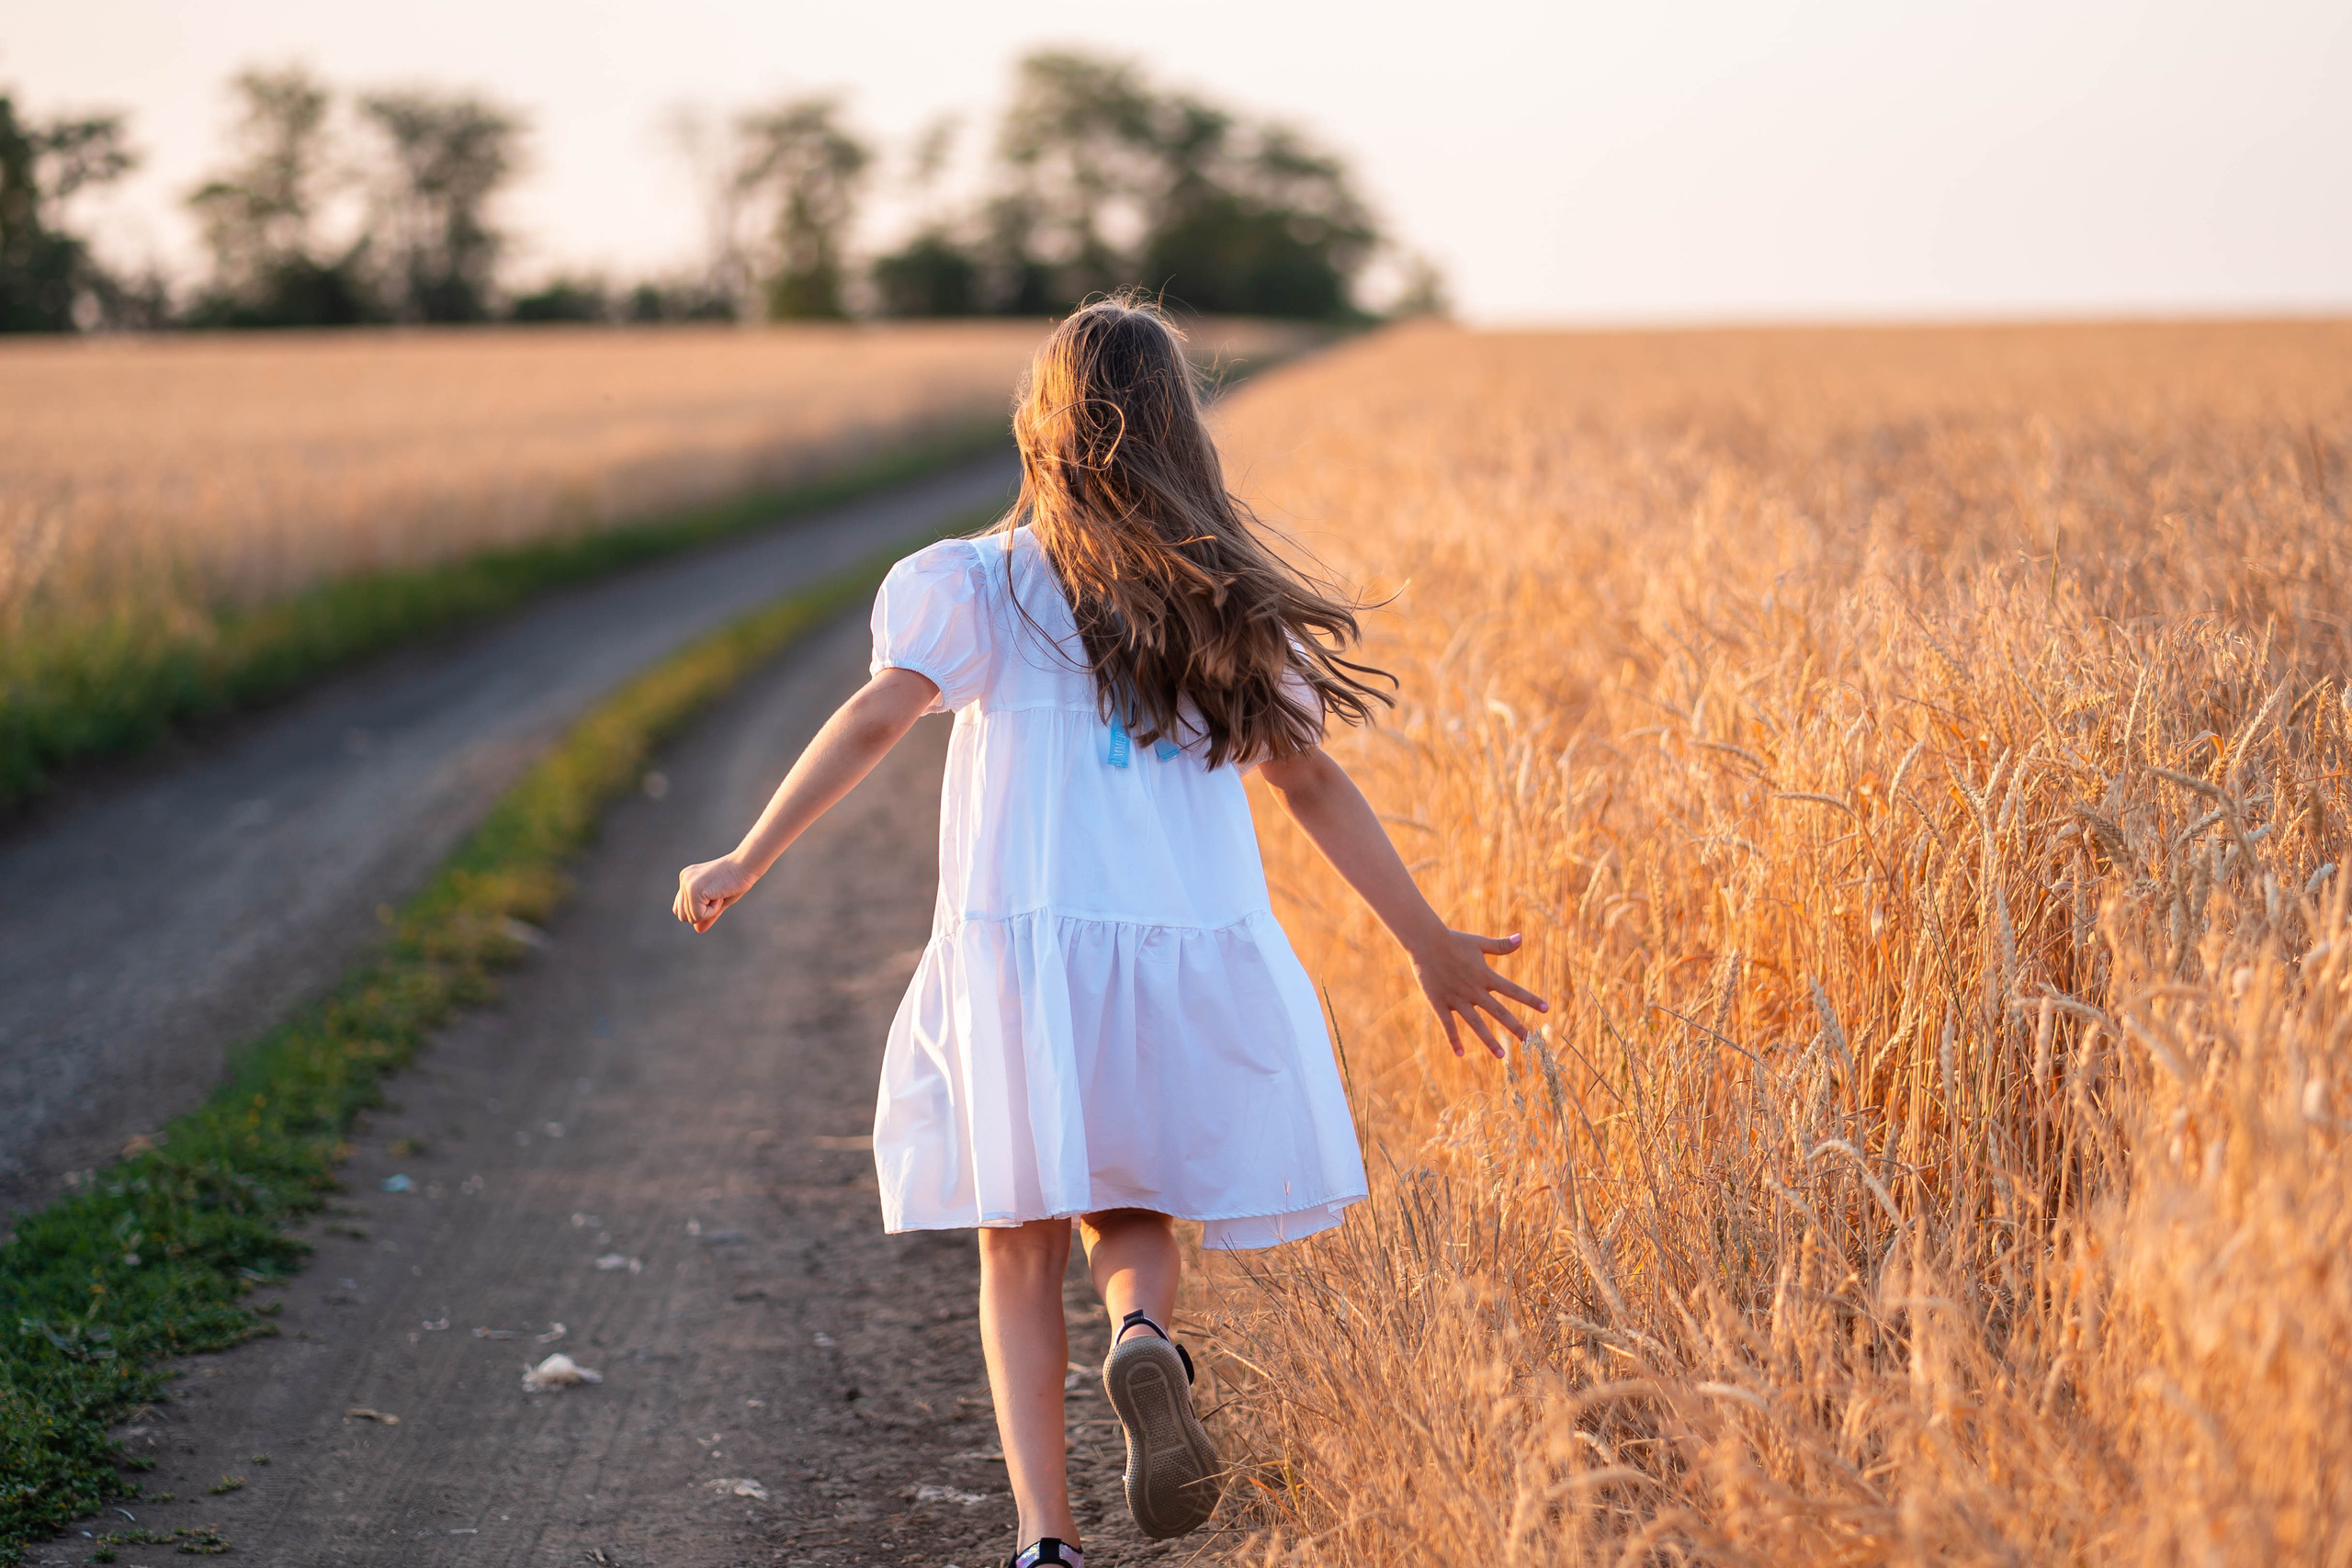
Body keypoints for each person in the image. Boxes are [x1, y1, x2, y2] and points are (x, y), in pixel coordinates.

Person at [673, 296, 1544, 1568]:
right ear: (1183, 436)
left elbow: (874, 718)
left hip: (1024, 955)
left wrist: (750, 851)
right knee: (1131, 1203)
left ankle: (1046, 1542)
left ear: (1043, 428)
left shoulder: (971, 584)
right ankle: (1144, 1335)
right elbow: (1309, 784)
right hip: (1186, 948)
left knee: (1015, 1242)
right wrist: (1427, 939)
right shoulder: (1222, 602)